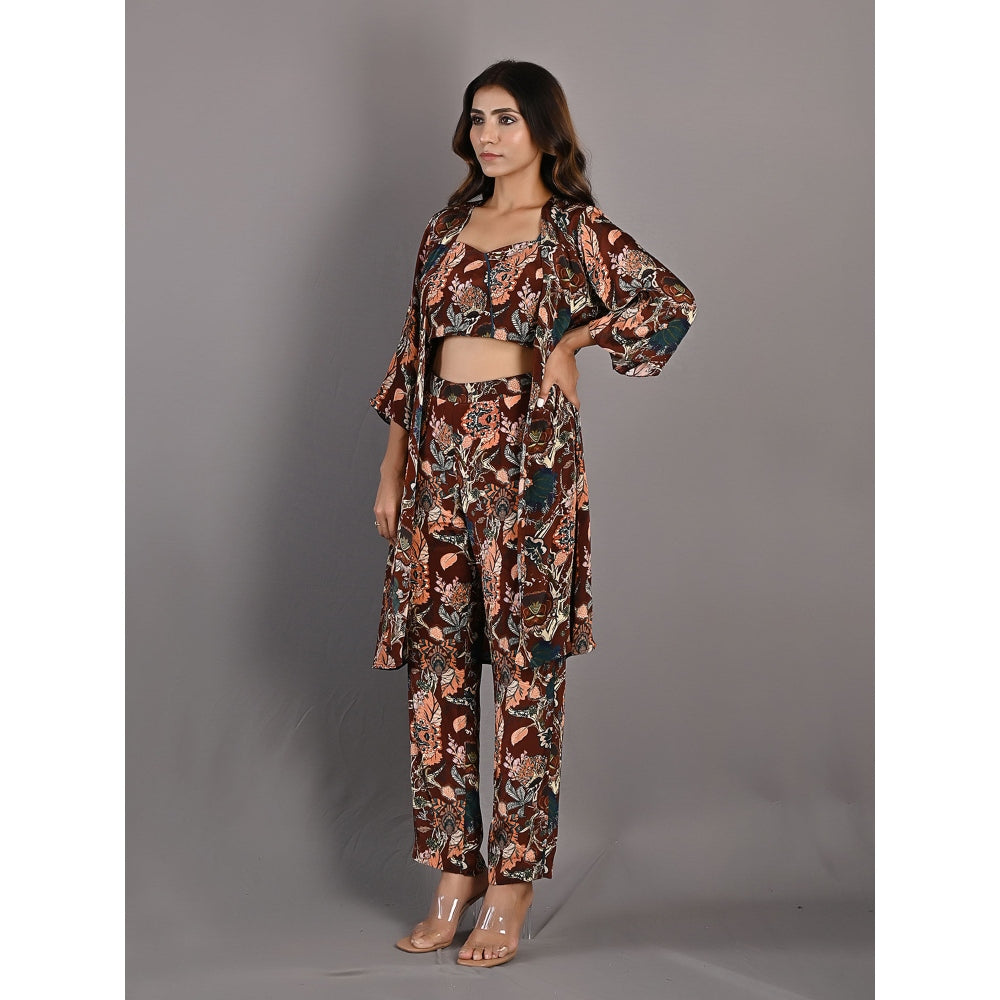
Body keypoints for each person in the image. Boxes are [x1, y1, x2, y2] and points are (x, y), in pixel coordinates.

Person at [369, 60, 697, 968]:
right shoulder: (445, 228)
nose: (488, 134)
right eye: (478, 118)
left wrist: (574, 341)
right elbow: (411, 353)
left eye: (507, 119)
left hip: (528, 467)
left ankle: (511, 884)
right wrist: (393, 470)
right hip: (436, 460)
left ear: (546, 130)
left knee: (524, 677)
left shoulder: (574, 229)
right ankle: (455, 870)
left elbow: (669, 303)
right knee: (436, 675)